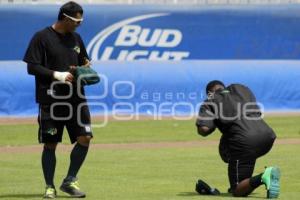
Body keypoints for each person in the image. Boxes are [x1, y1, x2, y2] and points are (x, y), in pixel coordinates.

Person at [23, 1, 93, 198]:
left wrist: (85, 69)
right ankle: (49, 186)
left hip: (76, 98)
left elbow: (82, 64)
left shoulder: (77, 38)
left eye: (81, 20)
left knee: (85, 137)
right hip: (51, 100)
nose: (79, 24)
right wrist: (58, 75)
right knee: (51, 143)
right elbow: (32, 67)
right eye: (76, 21)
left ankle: (70, 180)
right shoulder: (41, 37)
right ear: (64, 17)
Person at [195, 80, 280, 198]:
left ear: (209, 93)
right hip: (267, 136)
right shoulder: (242, 89)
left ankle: (263, 177)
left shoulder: (210, 101)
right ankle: (243, 181)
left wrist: (207, 120)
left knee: (237, 191)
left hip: (244, 141)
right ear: (223, 87)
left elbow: (204, 130)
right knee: (242, 152)